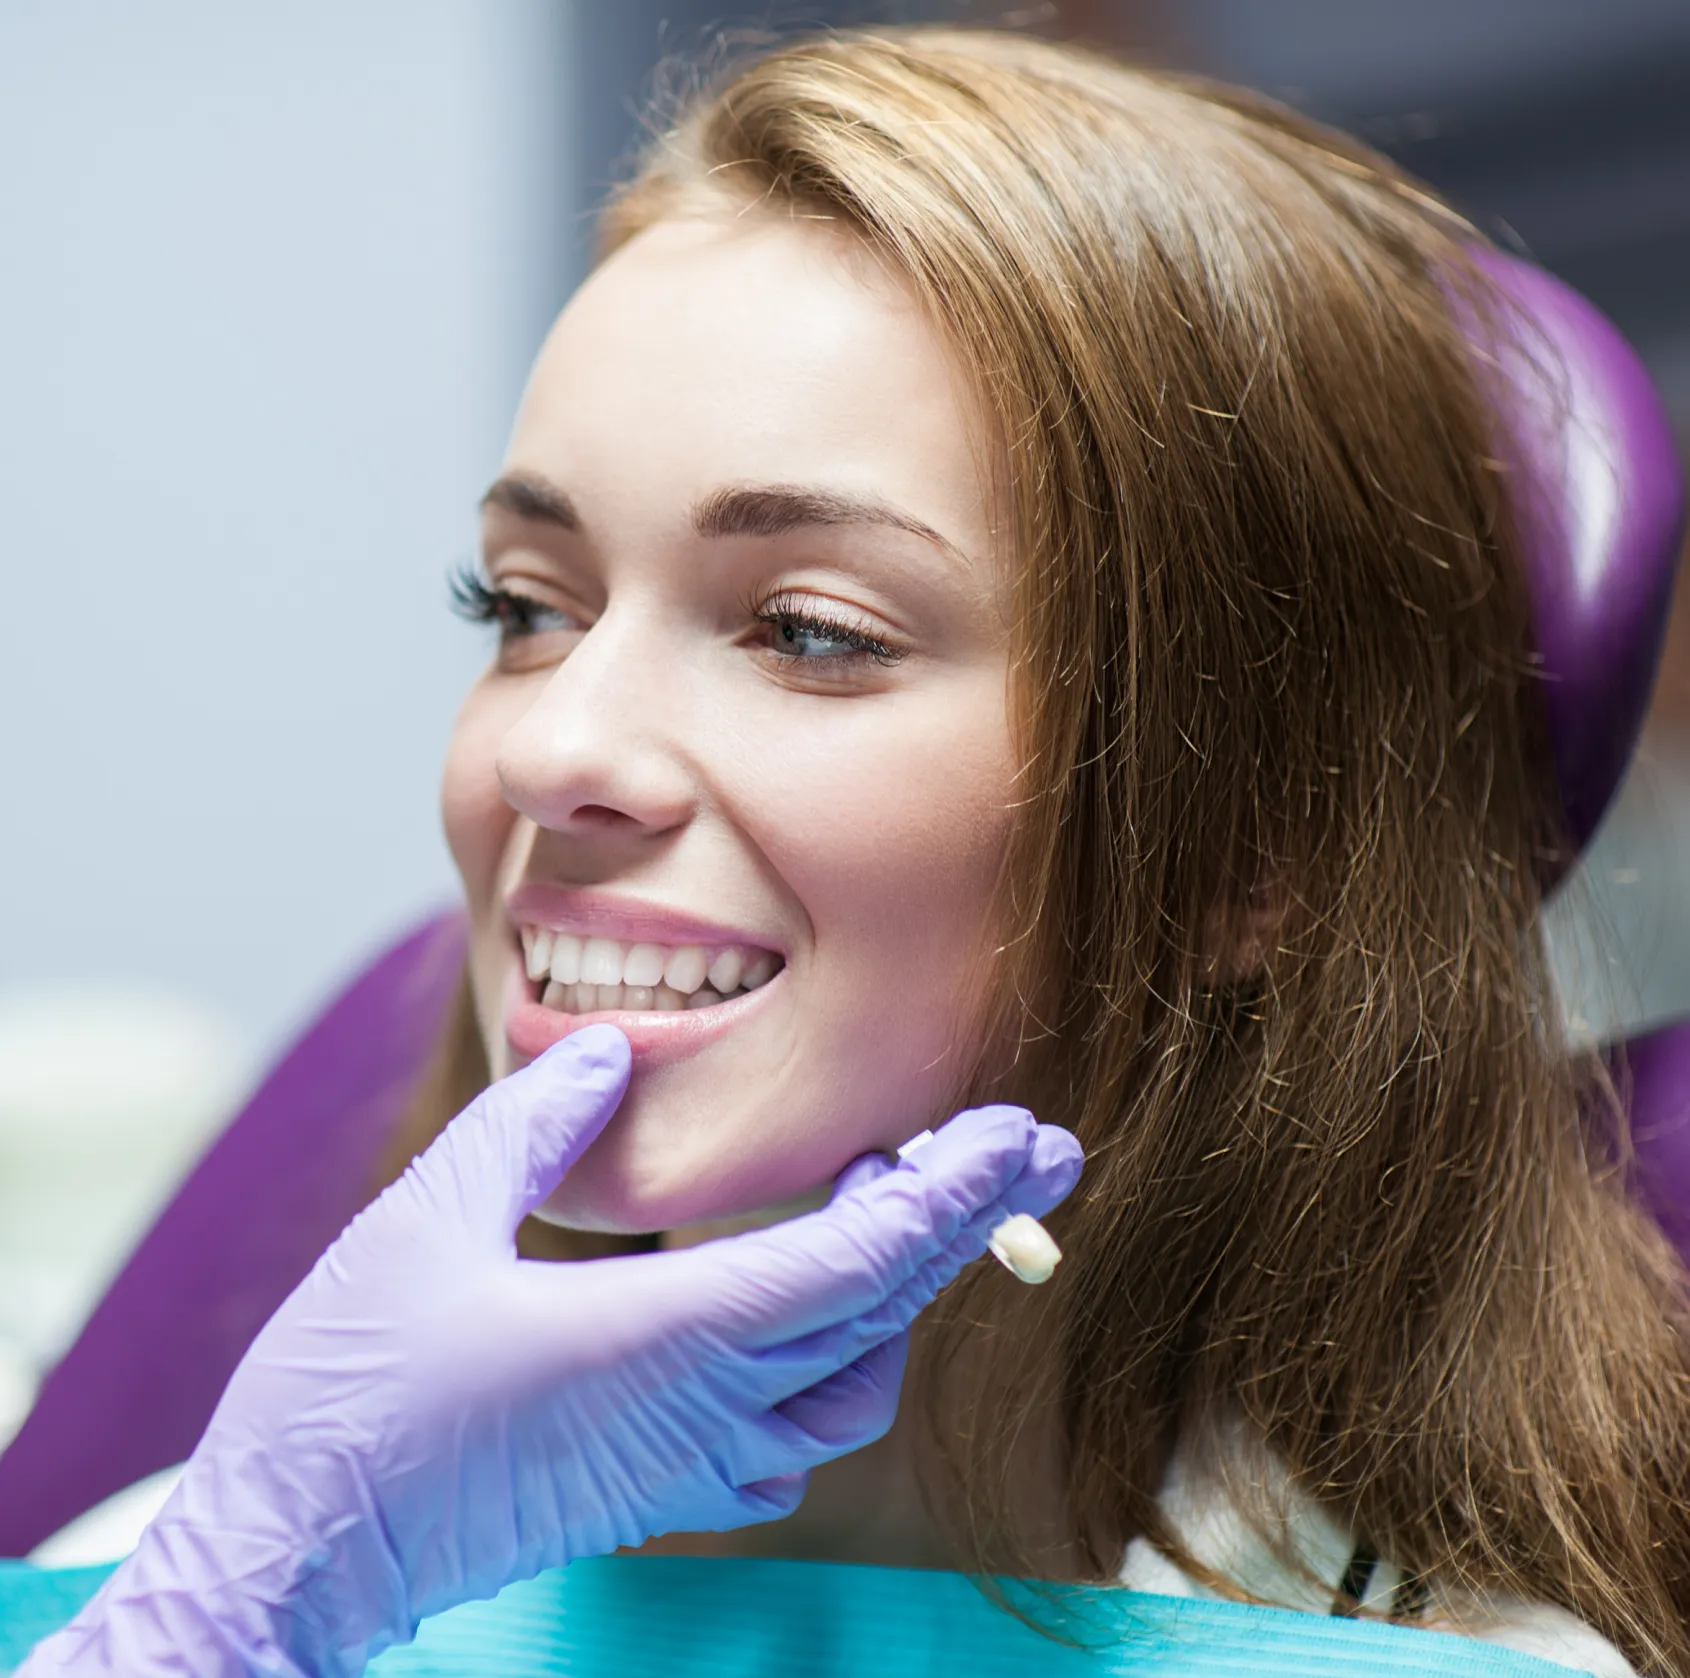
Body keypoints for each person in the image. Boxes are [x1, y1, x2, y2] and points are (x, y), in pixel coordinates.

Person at [19, 23, 1690, 1678]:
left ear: (1248, 856)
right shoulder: (188, 1572)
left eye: (809, 631)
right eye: (526, 605)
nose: (547, 748)